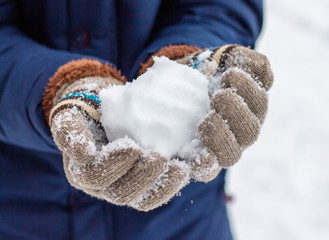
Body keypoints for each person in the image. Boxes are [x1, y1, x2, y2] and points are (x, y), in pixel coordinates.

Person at [0, 0, 273, 239]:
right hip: (20, 213)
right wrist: (60, 85)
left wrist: (189, 51)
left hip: (182, 223)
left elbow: (218, 7)